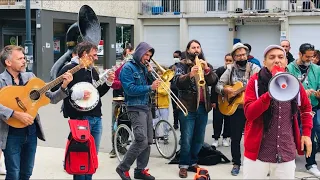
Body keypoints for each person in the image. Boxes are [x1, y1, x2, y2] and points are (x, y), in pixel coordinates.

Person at [0, 45, 73, 180]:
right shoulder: (1, 80)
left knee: (26, 173)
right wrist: (15, 114)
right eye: (20, 58)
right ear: (8, 62)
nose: (24, 61)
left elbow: (52, 98)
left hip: (31, 131)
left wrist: (64, 86)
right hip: (11, 133)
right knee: (13, 174)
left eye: (24, 58)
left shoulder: (30, 77)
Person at [243, 45, 313, 179]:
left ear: (286, 62)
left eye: (281, 57)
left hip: (285, 150)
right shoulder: (255, 82)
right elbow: (249, 114)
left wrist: (306, 134)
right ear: (264, 62)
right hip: (258, 152)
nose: (277, 61)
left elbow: (306, 108)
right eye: (272, 57)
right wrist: (269, 93)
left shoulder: (294, 83)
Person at [55, 41, 115, 180]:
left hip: (96, 117)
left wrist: (108, 83)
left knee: (91, 157)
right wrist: (77, 94)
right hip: (80, 119)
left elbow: (96, 94)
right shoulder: (69, 68)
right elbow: (55, 91)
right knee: (80, 158)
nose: (96, 58)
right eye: (93, 55)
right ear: (84, 54)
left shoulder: (92, 70)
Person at [173, 39, 217, 178]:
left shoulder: (206, 64)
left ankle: (193, 162)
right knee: (186, 137)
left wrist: (207, 71)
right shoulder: (181, 65)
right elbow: (176, 82)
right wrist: (190, 74)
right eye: (193, 47)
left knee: (199, 138)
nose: (196, 50)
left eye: (198, 47)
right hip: (187, 106)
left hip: (203, 107)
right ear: (188, 50)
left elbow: (213, 81)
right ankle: (184, 165)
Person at [116, 42, 160, 180]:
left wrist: (151, 72)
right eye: (146, 54)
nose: (147, 57)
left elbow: (155, 83)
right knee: (141, 139)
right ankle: (123, 168)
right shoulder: (128, 68)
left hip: (146, 106)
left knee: (148, 141)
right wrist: (149, 88)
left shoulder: (144, 68)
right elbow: (129, 89)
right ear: (139, 52)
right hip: (135, 107)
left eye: (149, 55)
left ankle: (140, 170)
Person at [216, 42, 260, 176]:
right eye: (238, 55)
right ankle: (236, 163)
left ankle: (256, 164)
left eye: (243, 54)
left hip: (252, 108)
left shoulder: (255, 69)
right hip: (236, 109)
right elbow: (218, 85)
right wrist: (225, 89)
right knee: (235, 138)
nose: (242, 57)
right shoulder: (229, 69)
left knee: (254, 137)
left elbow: (261, 84)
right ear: (234, 57)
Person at [287, 43, 320, 177]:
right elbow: (286, 88)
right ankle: (288, 160)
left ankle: (311, 163)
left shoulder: (317, 69)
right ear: (300, 54)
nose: (310, 60)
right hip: (294, 109)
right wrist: (301, 92)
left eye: (312, 57)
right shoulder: (289, 68)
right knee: (292, 134)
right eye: (307, 57)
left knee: (310, 135)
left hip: (312, 107)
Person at [109, 46, 134, 158]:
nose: (130, 56)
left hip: (130, 100)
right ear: (124, 55)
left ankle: (122, 145)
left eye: (132, 54)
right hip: (118, 99)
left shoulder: (135, 67)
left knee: (128, 123)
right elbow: (112, 83)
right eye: (128, 54)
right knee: (115, 124)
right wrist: (125, 84)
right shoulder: (117, 68)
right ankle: (114, 148)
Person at [211, 53, 233, 147]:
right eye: (226, 60)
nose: (228, 62)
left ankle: (225, 137)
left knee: (228, 120)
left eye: (230, 60)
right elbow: (214, 85)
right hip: (219, 99)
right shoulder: (220, 70)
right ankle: (216, 138)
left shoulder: (234, 71)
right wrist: (213, 101)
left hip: (229, 100)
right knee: (217, 120)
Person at [152, 67, 170, 143]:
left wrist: (157, 89)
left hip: (164, 105)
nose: (159, 75)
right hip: (156, 105)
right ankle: (156, 136)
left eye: (161, 73)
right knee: (155, 123)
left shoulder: (167, 82)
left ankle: (166, 136)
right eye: (158, 74)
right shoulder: (155, 82)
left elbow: (165, 92)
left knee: (165, 122)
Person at [170, 50, 182, 129]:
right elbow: (168, 79)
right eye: (174, 57)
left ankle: (182, 123)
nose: (175, 58)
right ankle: (175, 123)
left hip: (181, 89)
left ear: (180, 57)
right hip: (173, 89)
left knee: (180, 107)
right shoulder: (171, 67)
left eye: (177, 57)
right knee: (174, 108)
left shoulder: (183, 66)